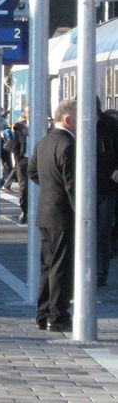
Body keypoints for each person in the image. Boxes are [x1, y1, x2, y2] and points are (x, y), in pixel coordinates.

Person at [28, 99, 77, 332]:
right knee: (61, 266)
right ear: (68, 119)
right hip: (63, 214)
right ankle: (57, 316)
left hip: (45, 211)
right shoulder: (68, 144)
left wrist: (49, 187)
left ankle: (42, 312)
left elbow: (32, 172)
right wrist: (82, 211)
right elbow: (72, 184)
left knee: (47, 265)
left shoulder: (44, 142)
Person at [96, 97, 118, 287]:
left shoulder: (111, 125)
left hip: (107, 187)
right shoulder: (78, 125)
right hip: (83, 187)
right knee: (86, 230)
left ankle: (101, 272)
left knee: (103, 229)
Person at [11, 120, 30, 223]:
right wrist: (18, 159)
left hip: (34, 161)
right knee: (23, 188)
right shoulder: (18, 135)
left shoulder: (38, 132)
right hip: (23, 161)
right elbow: (14, 148)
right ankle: (24, 211)